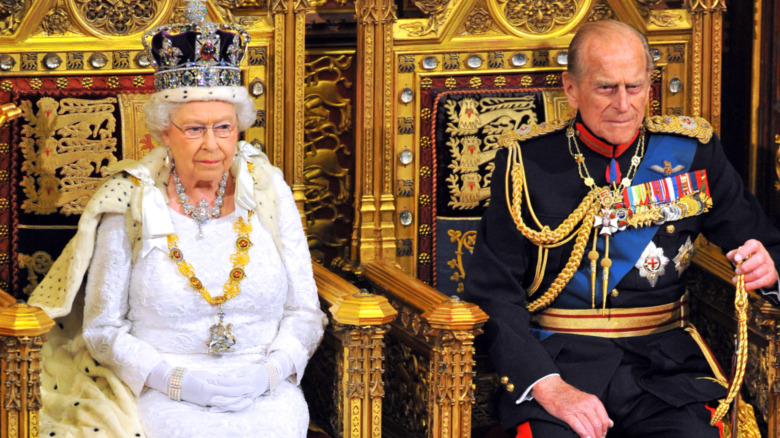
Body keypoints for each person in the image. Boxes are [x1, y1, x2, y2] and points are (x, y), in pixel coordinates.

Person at [463, 20, 780, 438]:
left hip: (665, 370)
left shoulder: (692, 152)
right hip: (560, 364)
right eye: (606, 88)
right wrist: (548, 386)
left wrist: (768, 269)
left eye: (635, 87)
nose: (624, 104)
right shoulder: (526, 163)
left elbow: (763, 244)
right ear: (571, 89)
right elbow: (493, 291)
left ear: (651, 86)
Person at [29, 2, 325, 437]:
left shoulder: (268, 189)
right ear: (164, 133)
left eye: (223, 127)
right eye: (194, 129)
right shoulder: (129, 199)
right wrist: (174, 380)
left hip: (266, 393)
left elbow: (304, 311)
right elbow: (102, 328)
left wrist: (271, 371)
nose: (212, 144)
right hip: (162, 394)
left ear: (239, 128)